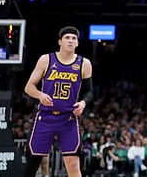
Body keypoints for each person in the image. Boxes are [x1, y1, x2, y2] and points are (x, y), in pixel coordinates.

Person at [23, 26, 94, 177]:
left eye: (74, 38)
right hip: (45, 116)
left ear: (77, 43)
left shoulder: (84, 63)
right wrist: (40, 95)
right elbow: (29, 87)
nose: (70, 41)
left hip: (68, 118)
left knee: (73, 162)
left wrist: (83, 103)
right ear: (60, 42)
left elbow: (89, 91)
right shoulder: (46, 59)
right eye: (67, 38)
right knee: (33, 161)